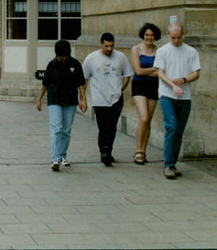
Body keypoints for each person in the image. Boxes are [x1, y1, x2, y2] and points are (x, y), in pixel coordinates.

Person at [155, 22, 201, 179]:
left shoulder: (191, 51)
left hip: (184, 95)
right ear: (168, 35)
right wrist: (172, 85)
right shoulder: (162, 51)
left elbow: (196, 73)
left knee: (179, 131)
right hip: (167, 94)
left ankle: (173, 163)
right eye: (173, 37)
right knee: (172, 127)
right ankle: (168, 164)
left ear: (183, 35)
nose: (176, 40)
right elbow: (160, 72)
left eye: (179, 37)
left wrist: (183, 79)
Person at [83, 32, 133, 166]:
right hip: (99, 98)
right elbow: (85, 79)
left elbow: (127, 75)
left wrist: (121, 89)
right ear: (101, 44)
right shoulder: (91, 58)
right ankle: (104, 151)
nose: (109, 49)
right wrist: (83, 98)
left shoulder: (121, 57)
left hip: (116, 98)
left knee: (112, 127)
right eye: (106, 46)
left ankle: (108, 150)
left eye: (111, 46)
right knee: (103, 126)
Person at [36, 40, 87, 171]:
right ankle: (55, 158)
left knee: (66, 129)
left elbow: (81, 83)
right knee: (56, 128)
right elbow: (45, 83)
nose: (64, 59)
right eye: (61, 57)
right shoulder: (52, 65)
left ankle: (62, 155)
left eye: (66, 56)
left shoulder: (75, 64)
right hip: (55, 99)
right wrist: (40, 99)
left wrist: (83, 99)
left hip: (70, 100)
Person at [131, 23, 162, 165]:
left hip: (153, 86)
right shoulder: (136, 49)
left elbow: (161, 72)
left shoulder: (160, 51)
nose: (149, 37)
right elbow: (138, 71)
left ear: (155, 37)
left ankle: (143, 151)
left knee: (148, 119)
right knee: (143, 117)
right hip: (139, 85)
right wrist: (153, 70)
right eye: (147, 35)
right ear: (143, 35)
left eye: (152, 35)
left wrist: (153, 71)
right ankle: (138, 150)